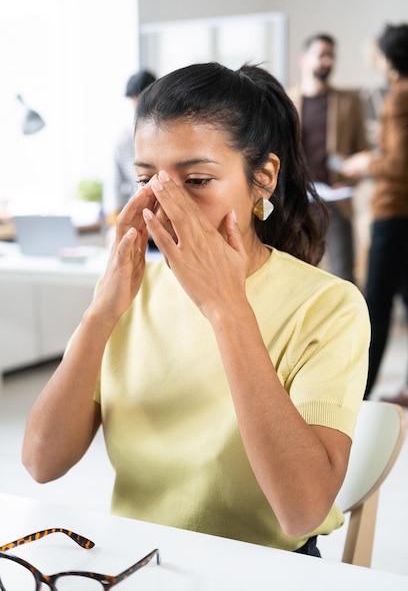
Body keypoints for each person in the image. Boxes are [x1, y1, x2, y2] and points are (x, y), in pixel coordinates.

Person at [22, 62, 370, 556]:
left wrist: (227, 308)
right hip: (140, 559)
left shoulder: (329, 307)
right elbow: (41, 462)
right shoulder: (128, 289)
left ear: (264, 177)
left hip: (267, 567)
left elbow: (302, 510)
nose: (165, 205)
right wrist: (101, 314)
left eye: (198, 180)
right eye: (148, 180)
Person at [342, 23, 408, 407]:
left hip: (396, 212)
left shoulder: (402, 96)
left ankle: (356, 395)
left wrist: (364, 163)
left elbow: (400, 162)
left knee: (375, 303)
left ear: (388, 60)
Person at [288, 33, 368, 283]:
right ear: (303, 59)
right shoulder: (287, 101)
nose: (327, 61)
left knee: (344, 275)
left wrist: (350, 182)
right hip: (300, 201)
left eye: (331, 56)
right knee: (298, 274)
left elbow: (361, 151)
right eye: (322, 55)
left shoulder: (348, 102)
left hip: (336, 202)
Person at [103, 69, 156, 225]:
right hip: (136, 214)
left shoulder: (169, 130)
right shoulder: (126, 135)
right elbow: (115, 181)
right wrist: (114, 222)